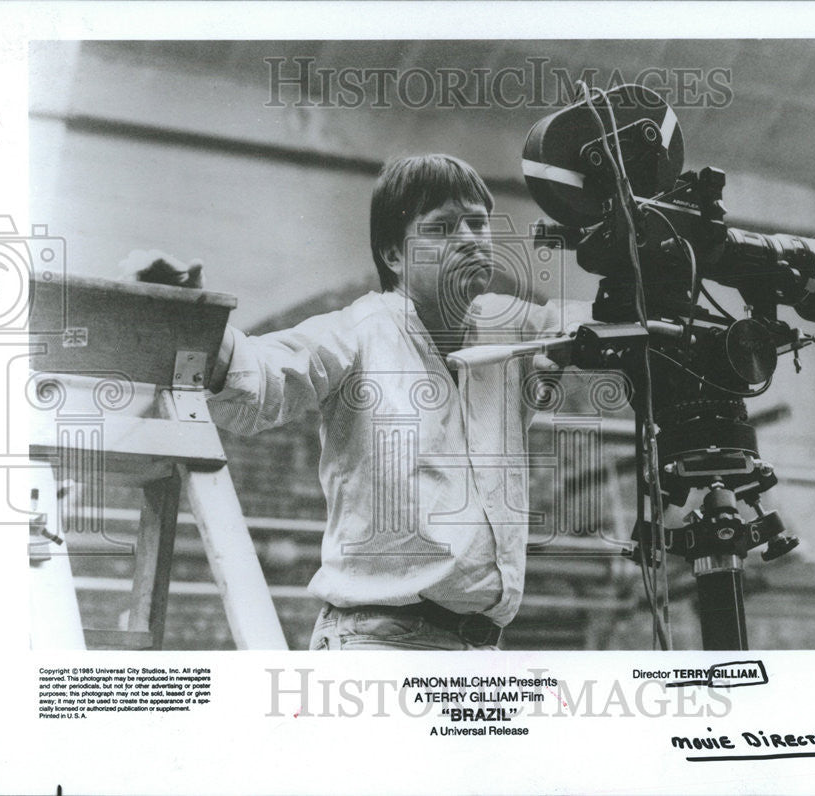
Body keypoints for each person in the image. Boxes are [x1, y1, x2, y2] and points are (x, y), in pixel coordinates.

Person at [128, 153, 591, 650]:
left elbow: (608, 324)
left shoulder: (512, 324)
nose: (469, 239)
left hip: (479, 654)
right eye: (442, 228)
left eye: (478, 223)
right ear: (394, 255)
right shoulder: (358, 331)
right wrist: (193, 319)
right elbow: (263, 374)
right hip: (378, 646)